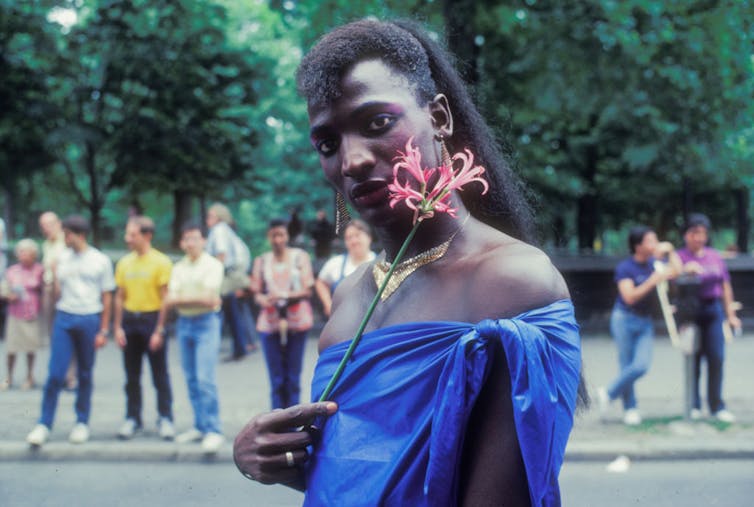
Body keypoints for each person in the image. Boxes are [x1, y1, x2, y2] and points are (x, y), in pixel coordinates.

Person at [233, 19, 583, 506]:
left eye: (377, 123)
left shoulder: (515, 284)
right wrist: (268, 457)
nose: (351, 160)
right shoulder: (350, 293)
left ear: (439, 117)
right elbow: (360, 479)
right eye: (328, 144)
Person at [26, 215, 114, 446]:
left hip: (89, 317)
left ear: (80, 235)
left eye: (68, 234)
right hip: (65, 316)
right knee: (55, 373)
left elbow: (107, 295)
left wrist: (104, 329)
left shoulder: (100, 260)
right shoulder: (61, 258)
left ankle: (81, 422)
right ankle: (44, 423)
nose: (64, 238)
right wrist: (53, 278)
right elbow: (57, 293)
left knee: (85, 373)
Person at [597, 226, 681, 425]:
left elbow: (677, 271)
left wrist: (670, 251)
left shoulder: (655, 263)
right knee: (626, 365)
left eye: (655, 240)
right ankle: (630, 408)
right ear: (638, 246)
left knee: (641, 365)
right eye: (650, 241)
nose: (654, 244)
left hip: (645, 321)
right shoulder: (625, 268)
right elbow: (629, 297)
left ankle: (608, 393)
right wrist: (653, 281)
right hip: (624, 319)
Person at [165, 221, 225, 453]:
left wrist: (182, 298)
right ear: (182, 242)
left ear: (203, 241)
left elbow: (210, 300)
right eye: (186, 238)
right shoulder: (179, 267)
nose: (191, 243)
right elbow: (170, 299)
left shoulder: (212, 265)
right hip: (185, 324)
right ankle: (199, 425)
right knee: (190, 378)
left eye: (195, 238)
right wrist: (194, 297)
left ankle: (213, 429)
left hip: (206, 323)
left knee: (204, 378)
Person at [113, 216, 175, 440]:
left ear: (147, 235)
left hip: (152, 320)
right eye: (127, 234)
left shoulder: (161, 262)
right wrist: (118, 327)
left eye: (132, 234)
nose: (127, 238)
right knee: (131, 375)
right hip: (130, 321)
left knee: (159, 374)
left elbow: (166, 299)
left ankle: (165, 418)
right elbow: (119, 297)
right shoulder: (124, 263)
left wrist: (159, 329)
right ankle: (132, 418)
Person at [677, 213, 741, 423]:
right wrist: (684, 271)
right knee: (692, 358)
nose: (699, 238)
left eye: (703, 233)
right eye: (695, 233)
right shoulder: (679, 257)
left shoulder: (714, 256)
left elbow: (725, 286)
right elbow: (669, 281)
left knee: (716, 357)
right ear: (686, 234)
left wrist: (730, 315)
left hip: (713, 310)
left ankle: (716, 406)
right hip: (690, 312)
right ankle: (693, 405)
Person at [250, 219, 314, 410]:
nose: (278, 240)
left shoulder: (299, 257)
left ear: (287, 236)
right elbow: (256, 292)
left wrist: (284, 295)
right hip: (270, 322)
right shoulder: (261, 261)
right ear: (269, 237)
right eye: (273, 235)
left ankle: (293, 423)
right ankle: (277, 422)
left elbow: (307, 290)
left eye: (281, 235)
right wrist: (261, 299)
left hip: (296, 321)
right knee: (276, 378)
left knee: (293, 377)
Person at [205, 203, 257, 361]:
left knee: (226, 310)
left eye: (211, 216)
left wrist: (212, 276)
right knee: (235, 310)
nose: (207, 219)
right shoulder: (226, 230)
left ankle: (238, 347)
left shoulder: (219, 230)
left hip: (229, 275)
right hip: (236, 273)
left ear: (219, 217)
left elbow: (221, 254)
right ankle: (243, 344)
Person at [0, 239, 44, 390]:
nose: (23, 255)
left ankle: (29, 376)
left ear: (33, 254)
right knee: (11, 348)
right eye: (20, 252)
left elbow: (44, 290)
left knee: (30, 347)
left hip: (31, 313)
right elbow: (3, 289)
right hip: (15, 313)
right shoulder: (12, 271)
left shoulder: (39, 270)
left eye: (26, 252)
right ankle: (9, 377)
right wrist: (8, 295)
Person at [314, 219, 376, 317]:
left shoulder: (382, 263)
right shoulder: (335, 263)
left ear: (369, 237)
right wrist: (327, 304)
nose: (354, 241)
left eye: (357, 235)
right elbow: (320, 282)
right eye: (349, 238)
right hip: (342, 322)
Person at [39, 211, 73, 385]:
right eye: (43, 225)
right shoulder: (46, 244)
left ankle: (70, 374)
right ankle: (58, 373)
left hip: (65, 291)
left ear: (59, 224)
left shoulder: (67, 242)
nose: (46, 229)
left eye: (49, 224)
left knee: (69, 331)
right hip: (49, 289)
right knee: (53, 333)